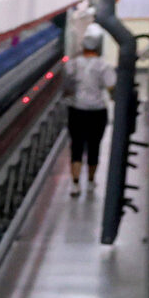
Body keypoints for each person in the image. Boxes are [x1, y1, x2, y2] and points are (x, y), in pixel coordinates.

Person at [65, 26, 112, 198]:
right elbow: (111, 86)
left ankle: (75, 184)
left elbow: (67, 86)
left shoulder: (73, 64)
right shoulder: (104, 66)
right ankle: (91, 181)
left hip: (77, 110)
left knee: (76, 146)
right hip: (97, 112)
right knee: (94, 147)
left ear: (83, 47)